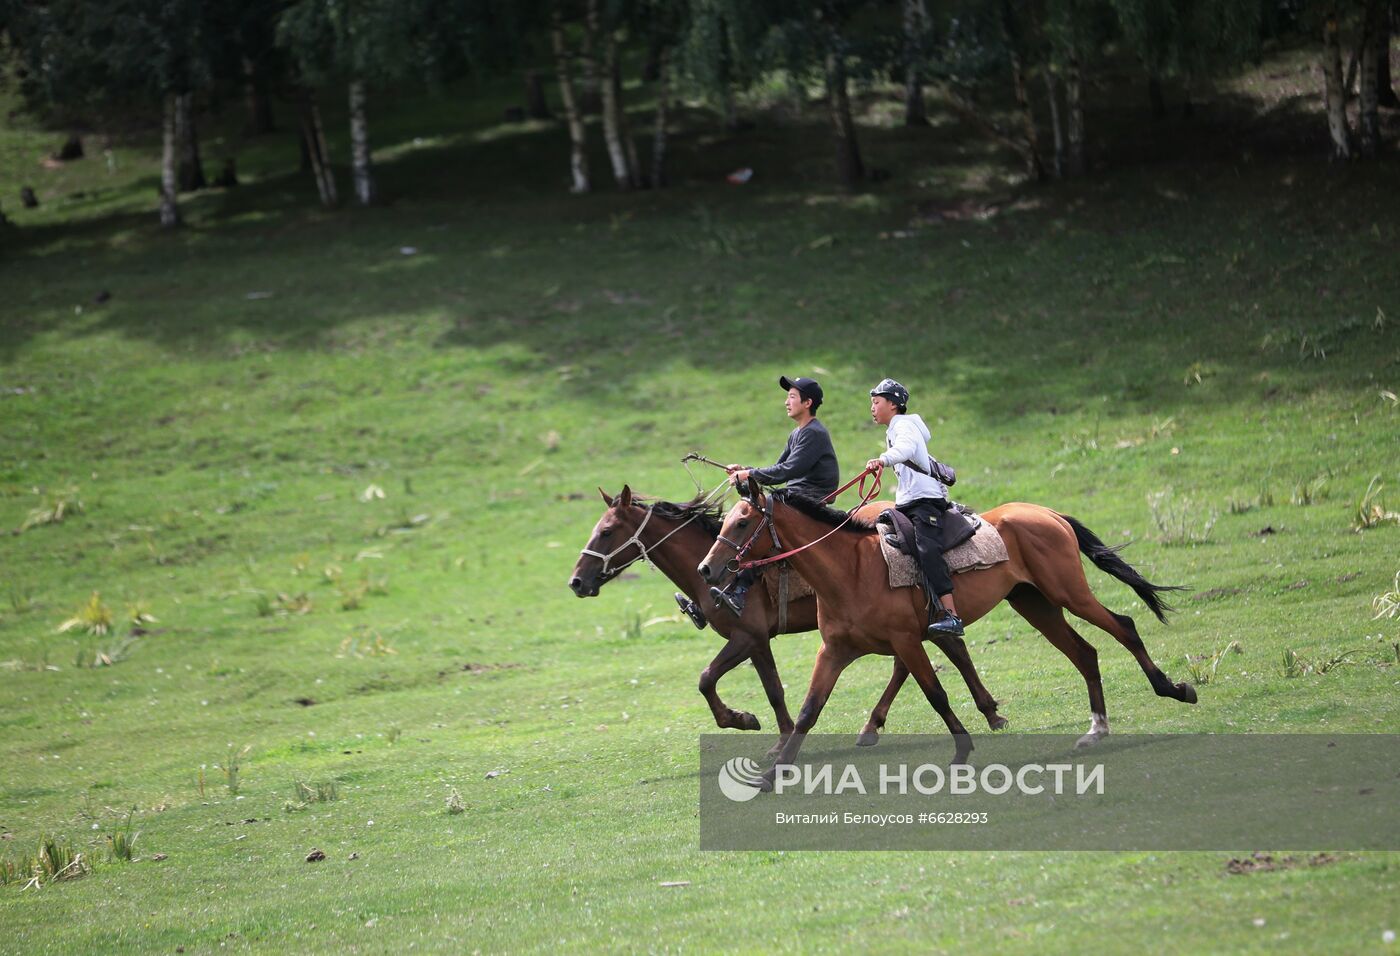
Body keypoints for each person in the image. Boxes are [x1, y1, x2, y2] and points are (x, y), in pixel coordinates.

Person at [685, 375, 839, 621]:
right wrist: (744, 472)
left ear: (807, 402)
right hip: (792, 496)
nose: (786, 402)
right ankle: (707, 599)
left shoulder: (814, 433)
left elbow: (788, 471)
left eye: (792, 397)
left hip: (808, 499)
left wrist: (750, 474)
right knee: (738, 524)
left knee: (756, 529)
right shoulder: (797, 433)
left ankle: (738, 590)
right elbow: (779, 468)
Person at [864, 378, 965, 637]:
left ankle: (952, 616)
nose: (872, 408)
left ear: (893, 405)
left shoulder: (904, 425)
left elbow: (906, 449)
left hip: (924, 502)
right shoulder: (895, 428)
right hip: (909, 502)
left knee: (926, 548)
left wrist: (883, 459)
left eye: (876, 402)